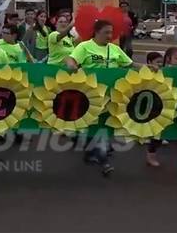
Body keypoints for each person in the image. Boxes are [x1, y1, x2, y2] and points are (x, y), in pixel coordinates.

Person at [66, 20, 154, 177]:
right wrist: (72, 65)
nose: (109, 35)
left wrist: (148, 67)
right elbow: (71, 59)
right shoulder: (84, 47)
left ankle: (94, 153)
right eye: (106, 32)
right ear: (96, 32)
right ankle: (103, 159)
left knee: (102, 126)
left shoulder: (114, 49)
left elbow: (130, 64)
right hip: (89, 95)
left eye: (111, 32)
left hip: (110, 95)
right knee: (93, 126)